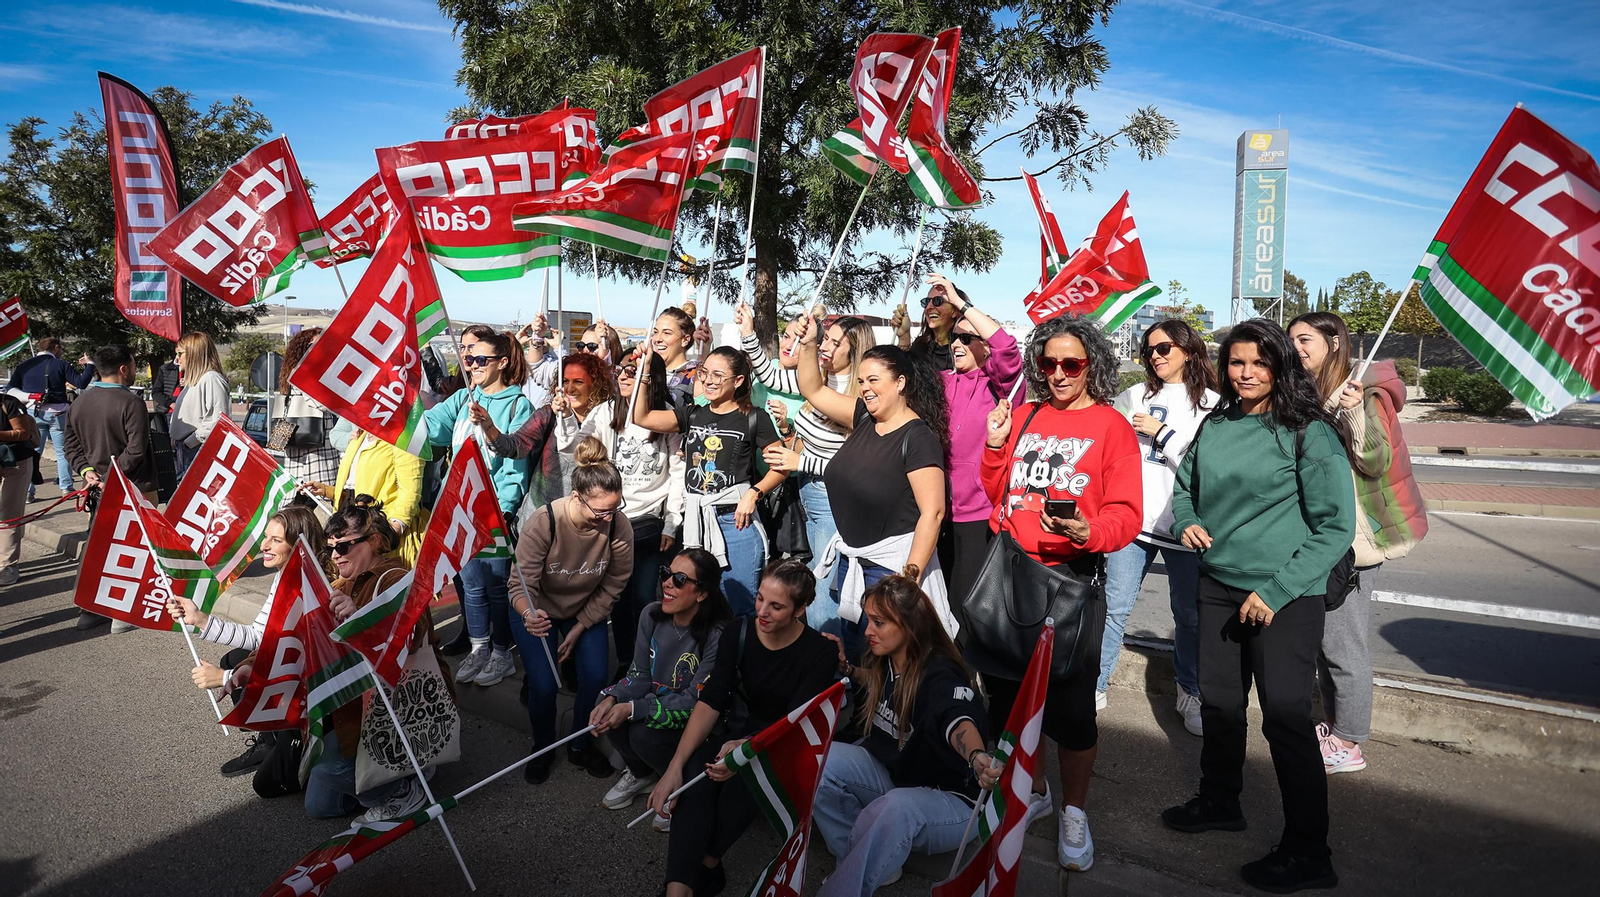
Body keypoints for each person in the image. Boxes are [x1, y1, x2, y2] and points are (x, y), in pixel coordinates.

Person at [1160, 318, 1355, 894]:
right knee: (1219, 706)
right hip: (1218, 585)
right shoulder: (1217, 421)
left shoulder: (1307, 432)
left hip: (1283, 596)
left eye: (1258, 362)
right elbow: (1186, 484)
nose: (1245, 373)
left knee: (1286, 721)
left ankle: (1308, 852)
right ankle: (1221, 801)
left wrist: (1273, 592)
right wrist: (1190, 521)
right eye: (1236, 362)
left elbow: (1334, 528)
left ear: (1280, 366)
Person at [979, 314, 1143, 872]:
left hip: (1071, 583)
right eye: (1047, 363)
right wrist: (997, 446)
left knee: (1073, 714)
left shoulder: (1111, 426)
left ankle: (1075, 810)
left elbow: (1126, 514)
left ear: (1092, 362)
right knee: (1009, 702)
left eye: (1070, 363)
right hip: (1012, 576)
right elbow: (995, 489)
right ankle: (1035, 792)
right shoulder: (1024, 414)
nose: (1057, 373)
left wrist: (1088, 533)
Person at [647, 560, 839, 897]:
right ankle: (677, 889)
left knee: (749, 775)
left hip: (781, 741)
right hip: (734, 726)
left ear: (801, 609)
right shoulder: (739, 630)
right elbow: (713, 699)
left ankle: (707, 863)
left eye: (776, 606)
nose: (762, 611)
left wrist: (746, 746)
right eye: (760, 598)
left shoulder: (819, 652)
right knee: (694, 769)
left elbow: (796, 722)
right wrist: (672, 769)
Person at [1289, 311, 1427, 776]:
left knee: (1342, 643)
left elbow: (1374, 459)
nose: (1297, 347)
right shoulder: (1310, 391)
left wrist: (1350, 410)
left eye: (1305, 339)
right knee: (1325, 638)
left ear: (1333, 341)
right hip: (1325, 532)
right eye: (1292, 340)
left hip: (1355, 538)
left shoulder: (1362, 393)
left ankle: (1348, 742)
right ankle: (1337, 725)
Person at [814, 575, 999, 896]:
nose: (868, 630)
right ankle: (864, 858)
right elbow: (879, 683)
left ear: (909, 626)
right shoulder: (888, 657)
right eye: (869, 619)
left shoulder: (939, 673)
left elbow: (957, 720)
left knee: (898, 807)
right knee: (819, 760)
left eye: (879, 622)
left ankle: (846, 886)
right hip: (900, 778)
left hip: (953, 803)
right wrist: (846, 668)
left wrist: (976, 755)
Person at [507, 348, 686, 673]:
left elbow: (677, 473)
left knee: (644, 598)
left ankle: (644, 663)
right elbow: (572, 446)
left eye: (637, 371)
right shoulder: (606, 411)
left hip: (648, 525)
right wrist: (563, 417)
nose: (627, 376)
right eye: (624, 370)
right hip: (610, 521)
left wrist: (671, 523)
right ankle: (622, 663)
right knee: (614, 598)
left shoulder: (667, 416)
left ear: (653, 378)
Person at [793, 319, 954, 656]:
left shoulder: (918, 438)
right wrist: (809, 345)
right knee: (858, 663)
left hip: (890, 572)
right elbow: (813, 390)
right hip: (851, 562)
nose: (864, 388)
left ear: (900, 383)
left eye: (873, 380)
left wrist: (907, 581)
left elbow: (933, 513)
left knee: (891, 672)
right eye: (862, 380)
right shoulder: (864, 416)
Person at [1101, 319, 1218, 734]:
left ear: (1189, 349)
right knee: (1114, 607)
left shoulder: (1213, 404)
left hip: (1186, 526)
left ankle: (1190, 691)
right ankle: (1096, 684)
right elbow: (1104, 440)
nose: (1156, 355)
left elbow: (1208, 468)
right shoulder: (1133, 394)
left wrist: (1161, 432)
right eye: (1149, 348)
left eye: (1165, 347)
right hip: (1134, 521)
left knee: (1189, 617)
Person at [738, 303, 876, 628]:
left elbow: (852, 463)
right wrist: (748, 333)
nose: (825, 346)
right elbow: (770, 374)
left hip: (834, 497)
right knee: (820, 577)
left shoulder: (860, 398)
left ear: (854, 352)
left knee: (823, 586)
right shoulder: (819, 379)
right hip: (809, 490)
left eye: (834, 342)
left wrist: (801, 460)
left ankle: (830, 664)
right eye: (824, 339)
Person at [506, 438, 634, 783]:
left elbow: (615, 582)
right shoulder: (544, 521)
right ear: (577, 498)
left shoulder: (618, 525)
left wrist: (580, 627)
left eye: (615, 509)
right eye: (602, 511)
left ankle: (580, 744)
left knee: (594, 677)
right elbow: (519, 585)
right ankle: (543, 746)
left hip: (584, 610)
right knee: (545, 685)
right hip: (537, 611)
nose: (608, 518)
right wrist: (529, 615)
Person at [169, 506, 326, 783]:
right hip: (292, 685)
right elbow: (258, 636)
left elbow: (296, 666)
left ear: (299, 544)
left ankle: (296, 743)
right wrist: (200, 619)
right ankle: (270, 738)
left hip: (310, 700)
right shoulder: (284, 574)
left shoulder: (310, 587)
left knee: (267, 786)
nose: (264, 546)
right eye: (266, 537)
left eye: (276, 540)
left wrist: (225, 678)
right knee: (236, 657)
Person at [633, 345, 785, 616]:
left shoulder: (754, 417)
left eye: (718, 375)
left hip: (735, 523)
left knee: (739, 607)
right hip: (696, 522)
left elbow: (781, 465)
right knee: (697, 606)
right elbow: (642, 417)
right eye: (705, 373)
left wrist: (754, 493)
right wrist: (644, 372)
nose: (709, 380)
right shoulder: (693, 413)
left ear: (738, 381)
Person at [313, 502, 436, 822]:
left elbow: (411, 637)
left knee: (329, 768)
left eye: (345, 545)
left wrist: (360, 620)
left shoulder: (398, 578)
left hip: (400, 705)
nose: (337, 554)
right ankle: (392, 773)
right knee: (320, 805)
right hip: (360, 704)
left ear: (376, 541)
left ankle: (405, 785)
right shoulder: (342, 584)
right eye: (331, 549)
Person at [425, 330, 533, 688]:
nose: (471, 365)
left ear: (502, 363)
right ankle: (478, 647)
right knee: (471, 586)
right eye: (468, 359)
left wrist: (504, 509)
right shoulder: (462, 397)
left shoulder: (518, 406)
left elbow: (516, 463)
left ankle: (501, 652)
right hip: (459, 509)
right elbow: (432, 430)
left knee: (498, 586)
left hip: (492, 513)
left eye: (480, 359)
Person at [593, 548, 731, 818]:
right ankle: (642, 773)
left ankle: (678, 784)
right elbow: (639, 674)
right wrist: (614, 698)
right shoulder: (651, 614)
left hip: (696, 723)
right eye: (666, 573)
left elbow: (695, 702)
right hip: (655, 706)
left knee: (641, 733)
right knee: (607, 705)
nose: (667, 583)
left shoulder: (718, 635)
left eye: (679, 579)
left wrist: (634, 709)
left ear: (702, 593)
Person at [934, 272, 1024, 616]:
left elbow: (1006, 348)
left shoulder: (1004, 387)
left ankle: (968, 670)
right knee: (935, 604)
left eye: (967, 338)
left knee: (966, 606)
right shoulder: (942, 382)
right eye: (954, 339)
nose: (957, 345)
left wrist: (961, 305)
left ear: (983, 345)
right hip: (936, 510)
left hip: (978, 514)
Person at [63, 345, 157, 630]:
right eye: (133, 364)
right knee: (134, 547)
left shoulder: (80, 402)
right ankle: (122, 613)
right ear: (123, 368)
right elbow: (137, 448)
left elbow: (71, 445)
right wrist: (111, 475)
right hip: (133, 485)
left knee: (98, 545)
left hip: (97, 487)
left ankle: (90, 608)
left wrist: (88, 471)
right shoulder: (131, 403)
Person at [313, 425, 429, 564]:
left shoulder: (404, 435)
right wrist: (326, 490)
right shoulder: (361, 434)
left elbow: (410, 492)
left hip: (382, 536)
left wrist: (391, 531)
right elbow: (356, 487)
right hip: (351, 533)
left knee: (382, 582)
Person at [6, 338, 94, 500]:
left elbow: (10, 388)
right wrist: (90, 365)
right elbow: (81, 383)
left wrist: (29, 396)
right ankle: (66, 488)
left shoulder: (25, 366)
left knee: (33, 452)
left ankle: (28, 492)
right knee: (62, 452)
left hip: (33, 413)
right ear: (55, 348)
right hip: (59, 414)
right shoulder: (60, 364)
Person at [276, 328, 343, 488]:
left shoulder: (292, 373)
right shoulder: (306, 372)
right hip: (314, 463)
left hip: (301, 457)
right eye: (315, 345)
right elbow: (323, 403)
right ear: (304, 349)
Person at [169, 331, 232, 480]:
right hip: (187, 449)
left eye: (180, 353)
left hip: (196, 451)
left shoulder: (211, 379)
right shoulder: (197, 380)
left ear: (193, 353)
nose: (177, 359)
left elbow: (217, 422)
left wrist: (189, 442)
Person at [0, 393, 39, 585]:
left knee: (9, 515)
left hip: (15, 463)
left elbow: (22, 432)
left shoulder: (8, 403)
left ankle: (8, 566)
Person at [895, 275, 968, 371]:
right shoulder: (920, 347)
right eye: (926, 301)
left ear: (955, 310)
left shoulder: (966, 348)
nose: (929, 307)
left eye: (937, 301)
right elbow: (901, 375)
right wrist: (904, 337)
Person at [649, 307, 700, 408]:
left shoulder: (696, 375)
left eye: (667, 333)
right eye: (655, 332)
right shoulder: (646, 371)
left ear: (685, 340)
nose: (658, 339)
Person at [518, 313, 561, 409]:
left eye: (546, 336)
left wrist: (559, 348)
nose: (543, 340)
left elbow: (565, 371)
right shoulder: (520, 361)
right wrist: (515, 345)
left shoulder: (554, 363)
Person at [149, 353, 181, 436]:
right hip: (167, 412)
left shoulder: (193, 370)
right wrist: (170, 404)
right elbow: (156, 392)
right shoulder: (165, 369)